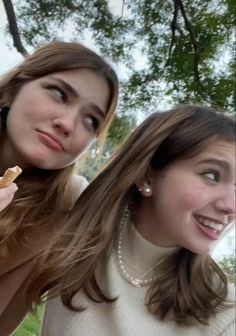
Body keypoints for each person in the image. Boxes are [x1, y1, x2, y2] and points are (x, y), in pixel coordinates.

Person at [42, 105, 235, 336]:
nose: (231, 206)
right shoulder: (73, 211)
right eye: (211, 175)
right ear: (147, 173)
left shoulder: (224, 313)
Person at [0, 41, 119, 335]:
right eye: (59, 93)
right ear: (14, 88)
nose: (67, 124)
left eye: (91, 120)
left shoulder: (63, 213)